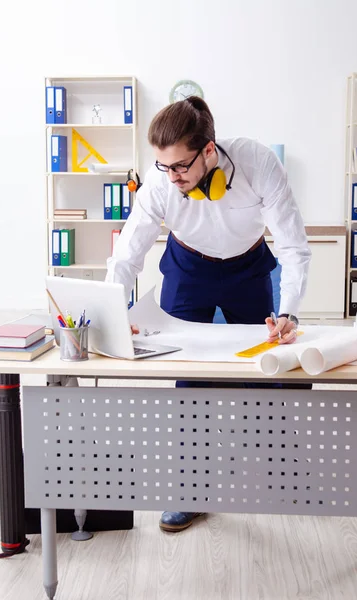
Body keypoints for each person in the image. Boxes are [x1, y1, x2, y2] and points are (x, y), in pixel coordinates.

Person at [106, 96, 311, 532]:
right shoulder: (162, 184)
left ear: (210, 151)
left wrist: (289, 311)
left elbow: (293, 245)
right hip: (189, 266)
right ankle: (190, 489)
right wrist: (113, 309)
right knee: (189, 375)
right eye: (163, 166)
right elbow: (127, 253)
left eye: (181, 165)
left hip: (248, 265)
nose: (172, 176)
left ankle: (274, 472)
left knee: (265, 367)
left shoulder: (258, 164)